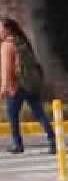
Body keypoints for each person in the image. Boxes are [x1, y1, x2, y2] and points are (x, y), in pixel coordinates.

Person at [1, 18, 55, 155]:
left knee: (12, 116)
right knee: (39, 113)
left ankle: (17, 144)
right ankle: (52, 140)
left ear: (7, 30)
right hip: (30, 84)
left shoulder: (7, 45)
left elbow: (7, 69)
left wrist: (4, 88)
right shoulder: (22, 41)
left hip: (16, 86)